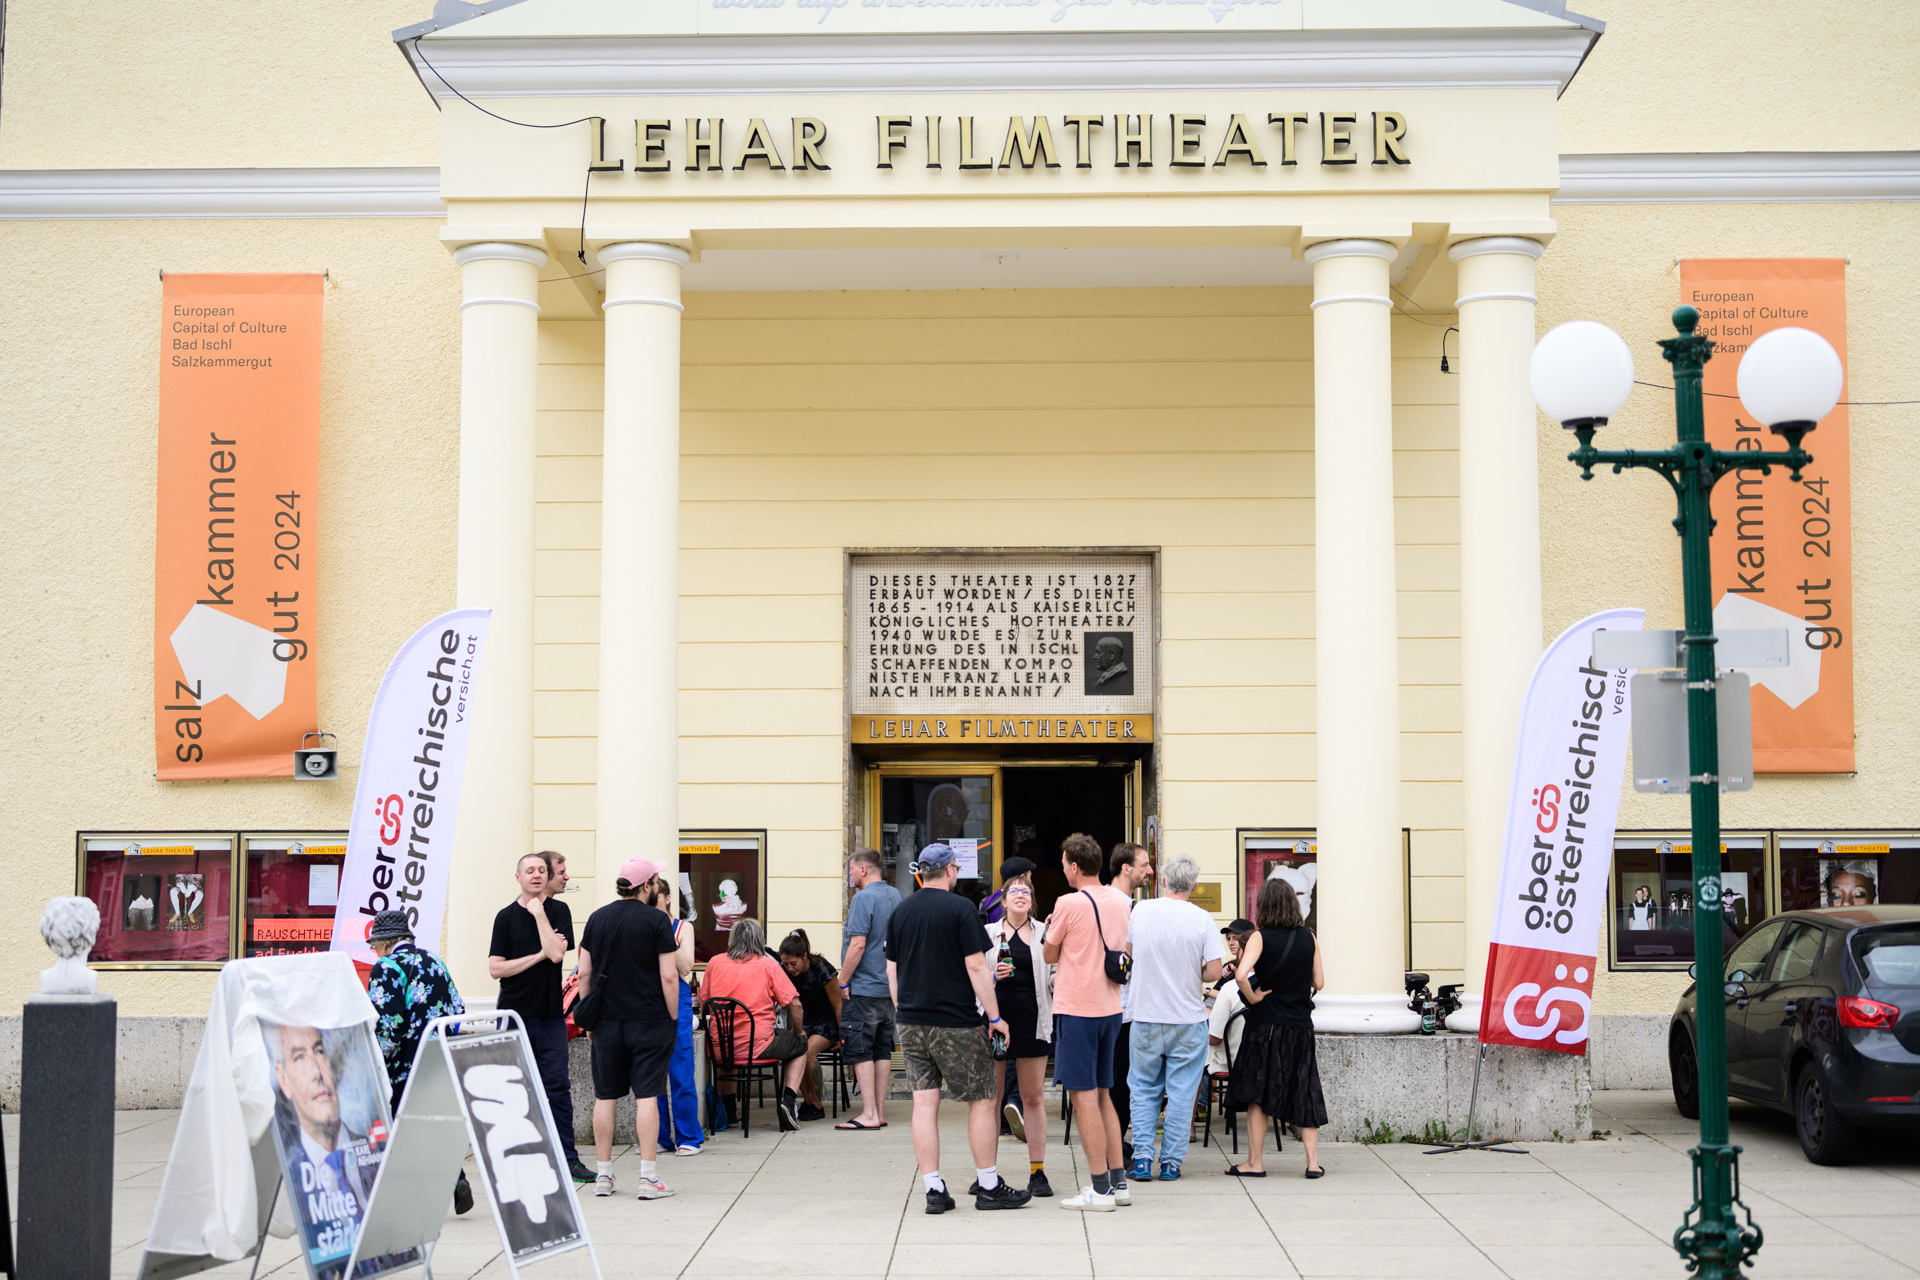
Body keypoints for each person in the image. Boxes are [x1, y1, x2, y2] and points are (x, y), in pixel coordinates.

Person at [885, 842, 1032, 1214]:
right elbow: (978, 966)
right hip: (956, 1021)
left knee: (924, 1103)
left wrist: (903, 1010)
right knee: (982, 1100)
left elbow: (892, 970)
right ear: (950, 869)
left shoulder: (901, 910)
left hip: (912, 1021)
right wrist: (995, 1018)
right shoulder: (961, 908)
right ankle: (988, 1185)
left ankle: (934, 1189)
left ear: (922, 873)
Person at [576, 856, 681, 1199]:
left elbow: (584, 973)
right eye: (656, 881)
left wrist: (590, 1018)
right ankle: (647, 1178)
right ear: (646, 885)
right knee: (647, 1096)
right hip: (650, 1020)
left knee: (605, 1097)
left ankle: (604, 1175)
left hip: (607, 1021)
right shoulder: (658, 920)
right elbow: (669, 976)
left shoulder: (597, 918)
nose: (657, 886)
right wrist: (673, 1018)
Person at [1044, 832, 1135, 1211]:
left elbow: (1049, 953)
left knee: (1082, 1098)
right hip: (1111, 1008)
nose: (1063, 870)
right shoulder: (1121, 901)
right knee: (1103, 1095)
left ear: (1075, 866)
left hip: (1078, 1008)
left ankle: (1099, 1190)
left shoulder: (1068, 902)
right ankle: (1119, 1183)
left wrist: (1054, 926)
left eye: (1065, 864)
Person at [488, 852, 589, 1182]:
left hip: (549, 1016)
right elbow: (495, 969)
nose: (536, 875)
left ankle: (567, 1158)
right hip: (512, 1017)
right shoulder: (505, 917)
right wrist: (537, 956)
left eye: (542, 871)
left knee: (557, 1088)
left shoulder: (558, 911)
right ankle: (517, 1160)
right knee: (514, 1090)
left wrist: (538, 913)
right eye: (529, 870)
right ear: (518, 877)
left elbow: (558, 954)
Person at [1124, 854, 1224, 1182]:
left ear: (1163, 881)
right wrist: (1191, 971)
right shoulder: (1202, 919)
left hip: (1145, 1015)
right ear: (1193, 886)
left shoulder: (1141, 910)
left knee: (1143, 1088)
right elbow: (1214, 971)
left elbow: (1128, 955)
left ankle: (1141, 1158)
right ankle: (1170, 1163)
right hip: (1187, 1018)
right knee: (1182, 1094)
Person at [365, 910, 472, 1214]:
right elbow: (457, 1009)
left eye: (374, 946)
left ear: (384, 943)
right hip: (436, 1060)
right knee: (429, 1123)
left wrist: (376, 1059)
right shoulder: (435, 961)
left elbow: (391, 1025)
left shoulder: (386, 967)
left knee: (401, 1128)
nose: (375, 951)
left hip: (403, 1065)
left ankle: (407, 1198)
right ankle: (456, 1178)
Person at [1227, 876, 1329, 1179]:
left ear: (1264, 905)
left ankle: (1254, 1163)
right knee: (1305, 1088)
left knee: (1258, 1093)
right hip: (1299, 1026)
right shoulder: (1308, 937)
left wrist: (1253, 997)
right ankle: (1312, 1162)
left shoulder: (1259, 937)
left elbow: (1240, 975)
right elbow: (1319, 982)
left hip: (1266, 1026)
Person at [702, 917, 810, 1131]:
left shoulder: (714, 963)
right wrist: (798, 1031)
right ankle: (788, 1101)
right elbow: (795, 1005)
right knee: (801, 1044)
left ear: (732, 939)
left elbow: (706, 1002)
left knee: (727, 1046)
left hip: (720, 1048)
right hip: (759, 1047)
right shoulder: (768, 965)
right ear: (759, 940)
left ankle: (730, 1112)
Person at [984, 867, 1053, 1197]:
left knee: (1033, 1097)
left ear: (1032, 900)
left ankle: (1037, 1172)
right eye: (1014, 891)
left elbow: (1055, 973)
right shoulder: (987, 934)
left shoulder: (1044, 934)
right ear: (1004, 900)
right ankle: (987, 1174)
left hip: (1033, 1022)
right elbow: (973, 977)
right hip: (995, 1022)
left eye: (1026, 891)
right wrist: (993, 976)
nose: (1021, 895)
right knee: (992, 1100)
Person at [268, 1024, 372, 1232]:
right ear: (283, 1079)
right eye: (299, 1057)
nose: (316, 1072)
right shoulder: (291, 1178)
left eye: (319, 1051)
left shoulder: (377, 1152)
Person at [837, 847, 902, 1131]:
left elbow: (858, 944)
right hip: (888, 988)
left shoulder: (863, 898)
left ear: (863, 869)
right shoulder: (896, 896)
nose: (850, 875)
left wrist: (842, 980)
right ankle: (879, 1112)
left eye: (851, 869)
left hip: (863, 988)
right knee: (882, 1050)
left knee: (861, 1049)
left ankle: (868, 1113)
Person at [641, 873, 703, 1157]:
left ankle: (689, 1136)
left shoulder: (682, 927)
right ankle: (660, 1136)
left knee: (681, 1069)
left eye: (656, 901)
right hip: (647, 999)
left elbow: (686, 967)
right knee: (651, 1073)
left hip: (677, 998)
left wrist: (664, 931)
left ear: (667, 900)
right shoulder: (641, 926)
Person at [1106, 842, 1154, 1158]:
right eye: (1144, 865)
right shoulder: (1117, 906)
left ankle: (1113, 1142)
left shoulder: (1131, 906)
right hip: (1118, 1007)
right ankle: (1113, 1146)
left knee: (1120, 1081)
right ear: (1126, 868)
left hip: (1122, 1006)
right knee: (1118, 1082)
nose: (1149, 871)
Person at [777, 929, 843, 1121]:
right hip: (806, 1020)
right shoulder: (784, 971)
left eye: (793, 963)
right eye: (785, 964)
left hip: (829, 1020)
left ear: (804, 956)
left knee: (808, 1051)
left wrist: (843, 1036)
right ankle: (807, 1101)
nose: (789, 968)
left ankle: (817, 1104)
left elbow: (839, 1006)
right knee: (793, 1051)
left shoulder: (823, 969)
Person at [1217, 918, 1254, 989]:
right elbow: (1218, 989)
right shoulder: (1229, 966)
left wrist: (1206, 990)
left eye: (1236, 938)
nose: (1231, 943)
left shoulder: (1255, 968)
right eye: (1228, 939)